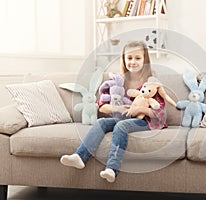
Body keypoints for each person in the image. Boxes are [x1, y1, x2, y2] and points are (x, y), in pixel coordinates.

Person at [60, 40, 168, 183]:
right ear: (123, 59)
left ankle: (112, 168)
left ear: (145, 59)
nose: (133, 62)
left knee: (120, 126)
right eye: (129, 58)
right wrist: (117, 108)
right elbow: (102, 106)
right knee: (101, 122)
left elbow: (160, 112)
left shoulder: (151, 82)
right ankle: (80, 156)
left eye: (137, 58)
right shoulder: (119, 80)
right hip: (124, 117)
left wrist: (140, 109)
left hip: (146, 121)